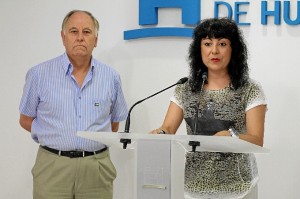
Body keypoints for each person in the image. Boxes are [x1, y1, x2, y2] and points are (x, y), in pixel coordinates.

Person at [151, 18, 267, 199]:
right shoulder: (185, 88)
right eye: (207, 43)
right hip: (195, 186)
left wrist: (231, 136)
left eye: (222, 43)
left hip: (238, 188)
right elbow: (168, 129)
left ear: (233, 49)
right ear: (199, 49)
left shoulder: (249, 89)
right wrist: (159, 133)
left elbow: (256, 140)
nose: (214, 50)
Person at [19, 10, 128, 199]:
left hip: (96, 168)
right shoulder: (38, 74)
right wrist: (54, 135)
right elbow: (25, 119)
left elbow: (114, 123)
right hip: (52, 167)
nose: (80, 38)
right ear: (63, 37)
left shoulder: (111, 77)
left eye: (86, 32)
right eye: (73, 31)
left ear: (96, 39)